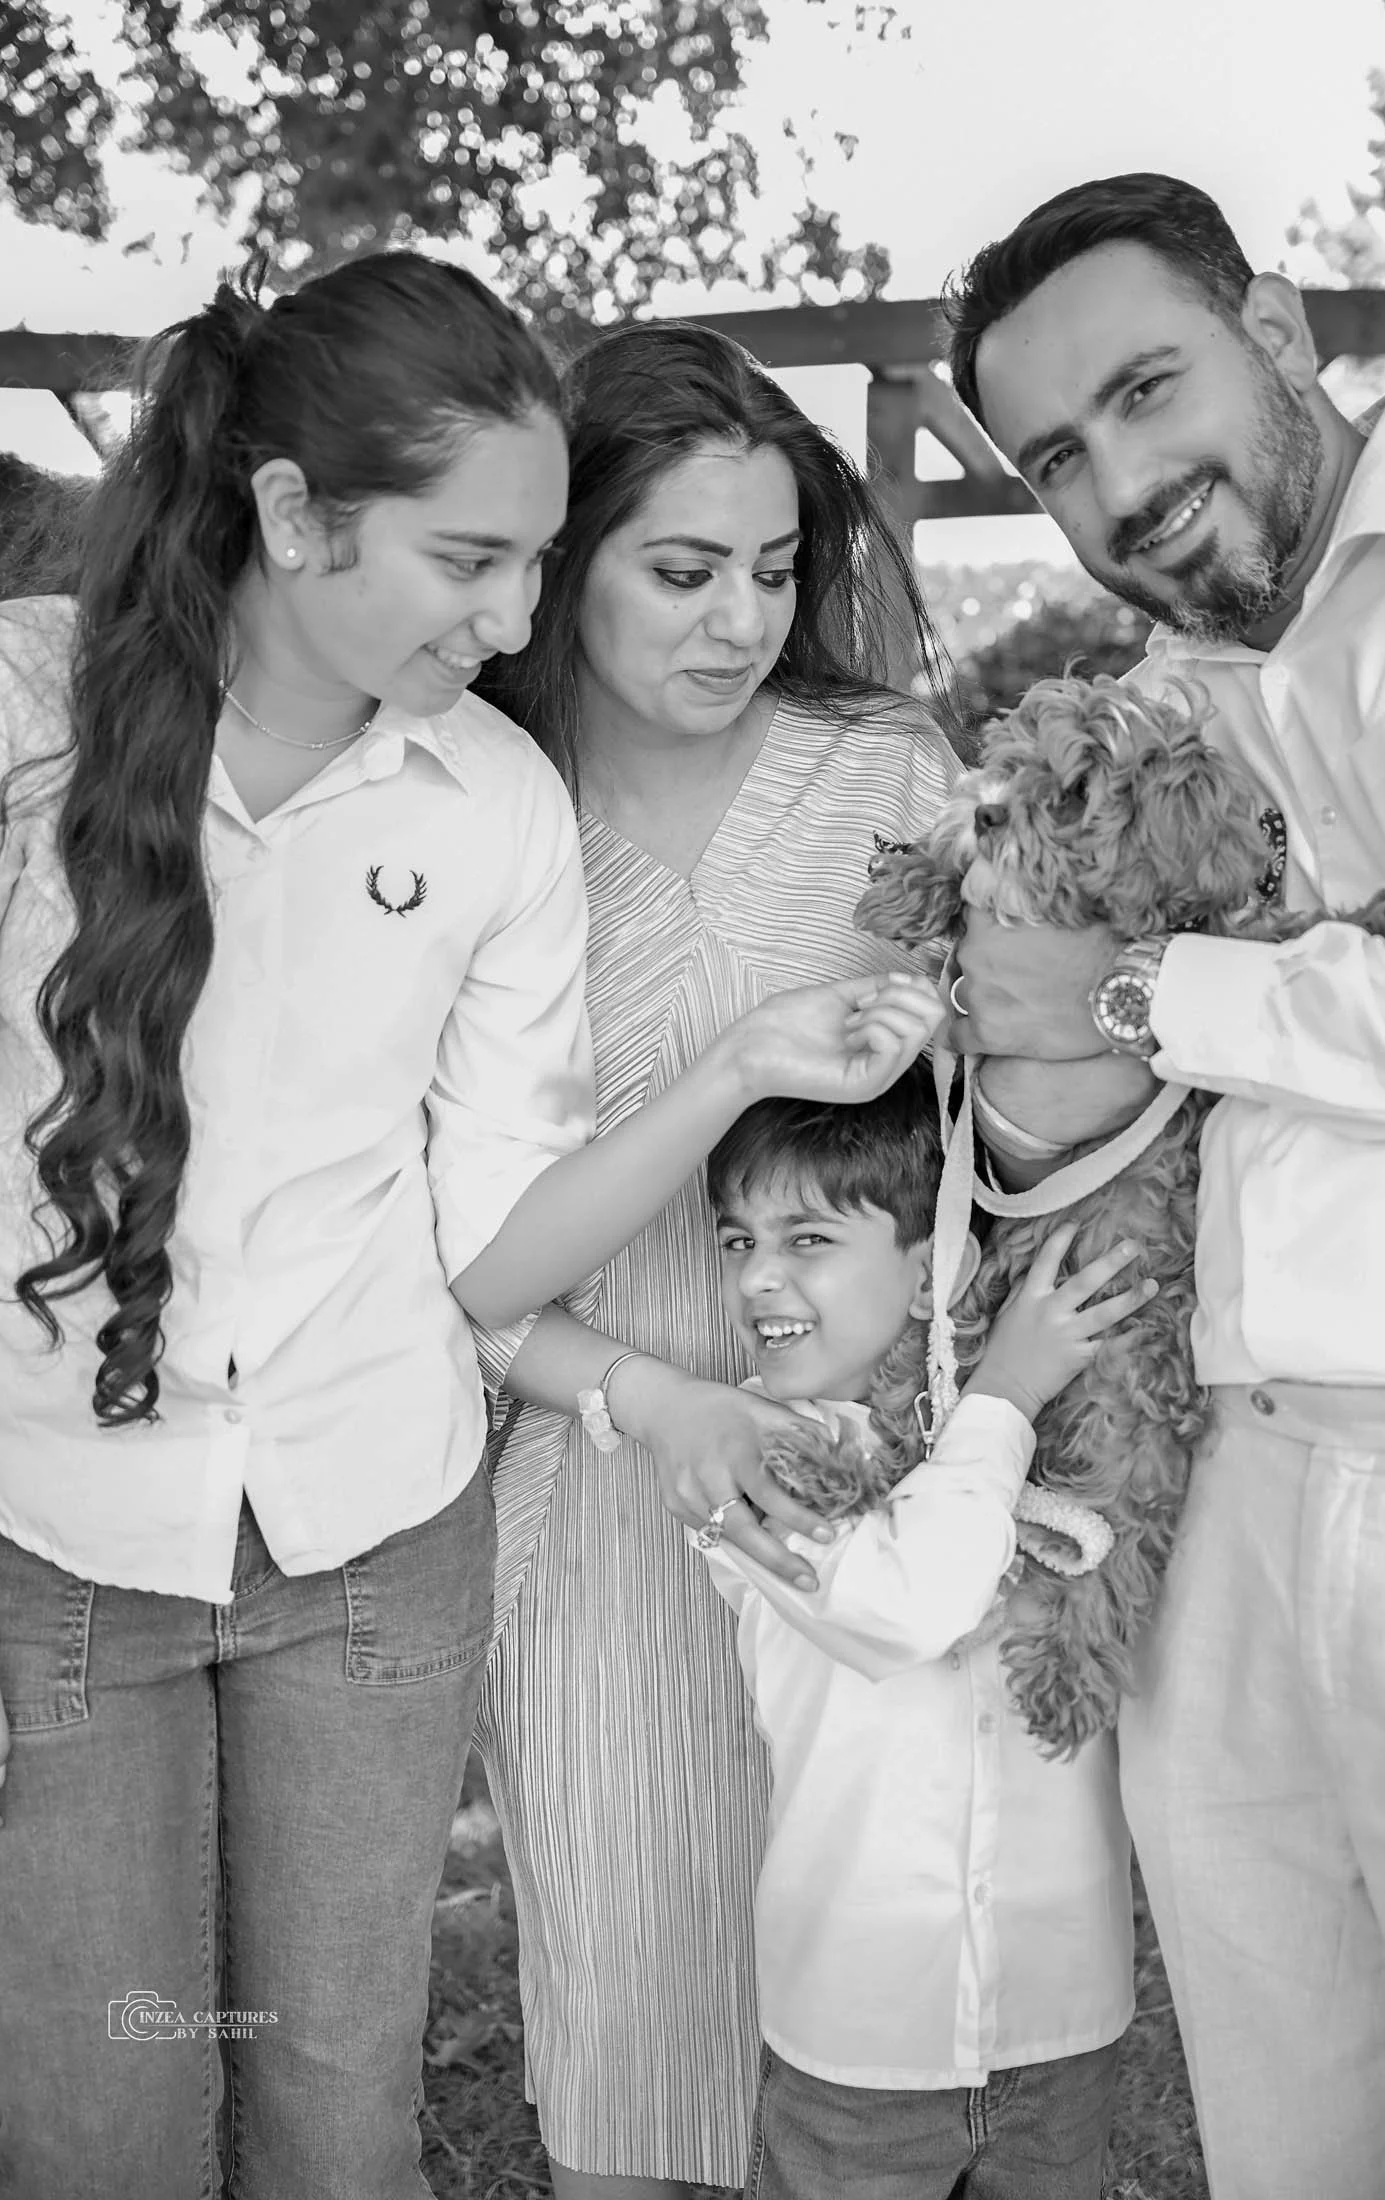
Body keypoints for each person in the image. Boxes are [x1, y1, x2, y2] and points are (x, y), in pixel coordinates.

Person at [0, 254, 941, 2200]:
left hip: (375, 1517)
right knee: (106, 2111)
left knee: (338, 2090)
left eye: (537, 559)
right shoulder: (32, 715)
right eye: (474, 557)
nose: (515, 612)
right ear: (289, 513)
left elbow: (490, 1222)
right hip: (68, 1525)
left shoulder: (489, 793)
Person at [940, 171, 1385, 2200]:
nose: (1120, 485)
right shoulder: (1189, 678)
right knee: (1291, 2091)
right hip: (1225, 1464)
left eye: (1147, 389)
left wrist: (1149, 984)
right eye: (1059, 455)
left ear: (1274, 334)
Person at [472, 320, 963, 2196]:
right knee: (634, 2028)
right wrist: (633, 1395)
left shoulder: (888, 772)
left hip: (872, 1486)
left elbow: (987, 1138)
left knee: (880, 2030)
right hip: (598, 1478)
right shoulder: (468, 805)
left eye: (772, 570)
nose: (739, 619)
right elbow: (439, 1254)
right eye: (680, 571)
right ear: (563, 557)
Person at [696, 1069, 1150, 2200]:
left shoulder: (1057, 1439)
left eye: (806, 1237)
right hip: (860, 2032)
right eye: (736, 1238)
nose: (759, 1276)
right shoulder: (747, 1459)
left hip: (1064, 2005)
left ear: (925, 1272)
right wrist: (1004, 1397)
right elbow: (906, 1605)